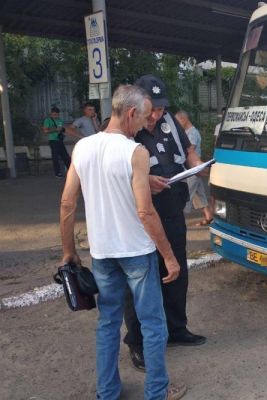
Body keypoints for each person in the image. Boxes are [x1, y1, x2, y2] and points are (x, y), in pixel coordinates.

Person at [59, 84, 187, 400]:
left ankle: (107, 393)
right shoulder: (135, 152)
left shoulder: (83, 147)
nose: (146, 123)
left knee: (108, 324)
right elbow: (145, 212)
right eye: (144, 117)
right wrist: (169, 256)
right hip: (137, 253)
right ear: (130, 113)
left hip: (102, 254)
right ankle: (157, 392)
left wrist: (68, 252)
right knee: (153, 325)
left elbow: (67, 203)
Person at [123, 74, 207, 372]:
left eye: (160, 108)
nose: (156, 115)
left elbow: (189, 152)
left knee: (177, 271)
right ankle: (137, 342)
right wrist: (144, 180)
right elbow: (115, 169)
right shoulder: (127, 126)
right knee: (140, 279)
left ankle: (176, 328)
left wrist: (200, 167)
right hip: (142, 215)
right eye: (152, 109)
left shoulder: (169, 120)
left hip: (172, 210)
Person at [175, 110, 213, 225]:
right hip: (193, 168)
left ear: (184, 119)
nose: (177, 125)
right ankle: (209, 217)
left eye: (177, 121)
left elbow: (190, 149)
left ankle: (178, 220)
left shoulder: (192, 133)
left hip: (193, 168)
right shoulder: (186, 132)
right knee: (199, 194)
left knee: (186, 194)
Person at [43, 107, 73, 177]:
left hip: (59, 140)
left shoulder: (60, 120)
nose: (55, 116)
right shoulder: (48, 120)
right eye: (54, 115)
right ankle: (58, 172)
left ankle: (71, 170)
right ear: (51, 114)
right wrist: (55, 129)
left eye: (56, 115)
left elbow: (60, 129)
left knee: (65, 156)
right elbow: (45, 131)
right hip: (52, 140)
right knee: (55, 157)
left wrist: (61, 130)